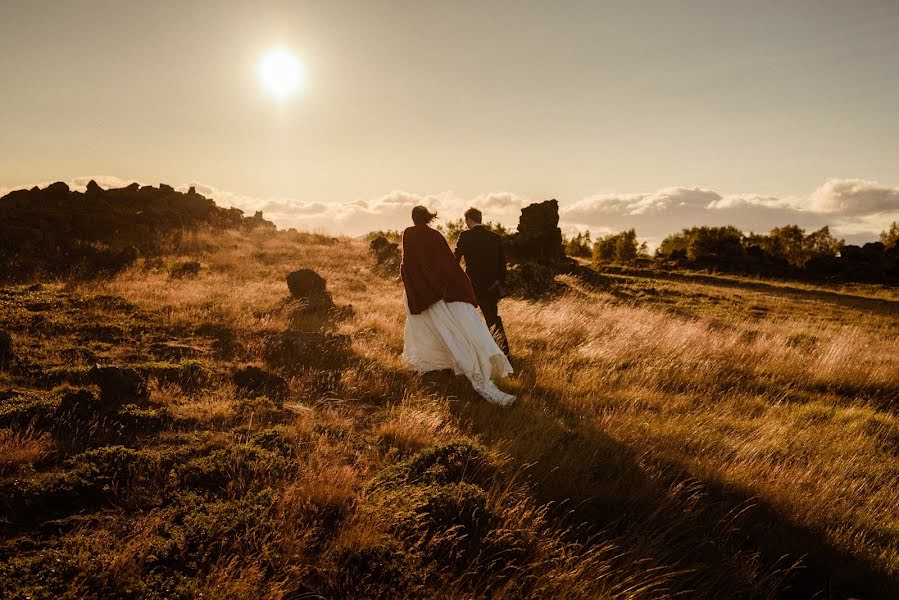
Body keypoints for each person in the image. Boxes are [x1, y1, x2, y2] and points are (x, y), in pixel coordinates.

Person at [400, 205, 515, 405]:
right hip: (484, 286)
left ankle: (440, 361)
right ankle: (500, 352)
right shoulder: (490, 237)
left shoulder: (411, 233)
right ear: (428, 218)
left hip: (431, 288)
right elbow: (448, 262)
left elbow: (414, 261)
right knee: (484, 320)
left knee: (428, 326)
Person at [453, 207, 510, 356]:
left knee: (463, 319)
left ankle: (467, 352)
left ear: (469, 220)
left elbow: (455, 260)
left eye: (466, 220)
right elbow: (502, 265)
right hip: (491, 287)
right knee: (492, 319)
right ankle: (503, 352)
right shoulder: (495, 237)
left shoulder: (465, 236)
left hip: (470, 286)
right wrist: (499, 284)